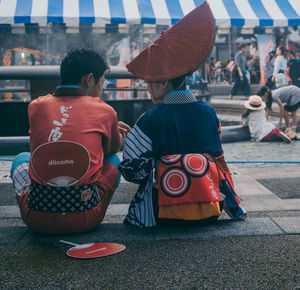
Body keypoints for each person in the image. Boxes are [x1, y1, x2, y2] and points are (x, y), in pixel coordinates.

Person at [118, 3, 246, 228]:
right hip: (208, 208)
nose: (148, 89)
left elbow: (133, 172)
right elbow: (219, 161)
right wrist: (234, 206)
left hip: (162, 214)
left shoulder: (150, 119)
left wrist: (127, 141)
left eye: (151, 82)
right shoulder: (208, 113)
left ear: (165, 81)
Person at [10, 48, 130, 234]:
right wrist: (111, 128)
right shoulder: (106, 111)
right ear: (89, 79)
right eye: (101, 83)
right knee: (114, 160)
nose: (100, 89)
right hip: (86, 216)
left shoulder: (36, 106)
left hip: (36, 216)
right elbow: (111, 149)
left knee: (21, 158)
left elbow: (37, 150)